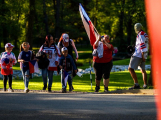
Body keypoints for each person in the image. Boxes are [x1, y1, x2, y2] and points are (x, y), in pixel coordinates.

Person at [128, 23, 149, 89]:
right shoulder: (145, 34)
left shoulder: (140, 34)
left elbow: (142, 44)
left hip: (138, 54)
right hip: (144, 53)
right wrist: (144, 54)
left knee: (130, 68)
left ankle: (136, 84)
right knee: (143, 70)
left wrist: (142, 55)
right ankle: (145, 85)